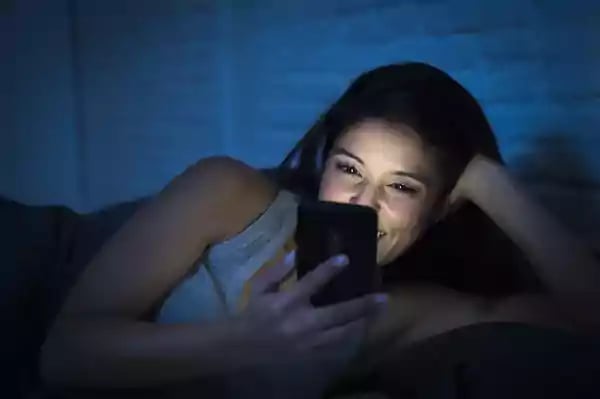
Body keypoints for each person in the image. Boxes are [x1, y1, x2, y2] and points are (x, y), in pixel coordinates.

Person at [40, 62, 600, 398]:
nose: (362, 202)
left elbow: (587, 324)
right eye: (349, 168)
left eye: (401, 187)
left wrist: (490, 182)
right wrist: (239, 342)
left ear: (443, 209)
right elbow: (63, 356)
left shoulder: (406, 312)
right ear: (325, 159)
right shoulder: (227, 191)